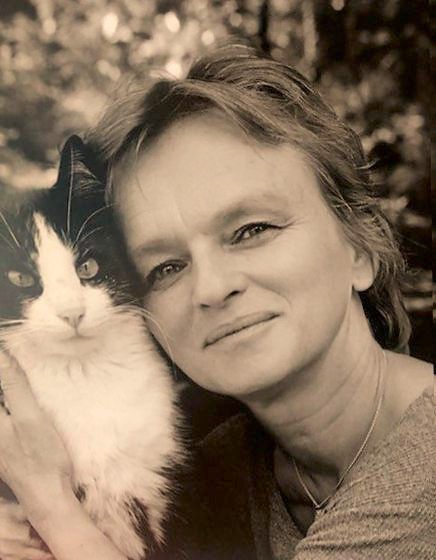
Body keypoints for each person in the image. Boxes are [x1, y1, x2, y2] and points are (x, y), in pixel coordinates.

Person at [0, 45, 433, 560]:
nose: (211, 288)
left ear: (361, 245)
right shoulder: (227, 456)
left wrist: (50, 505)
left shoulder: (421, 471)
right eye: (166, 267)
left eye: (252, 230)